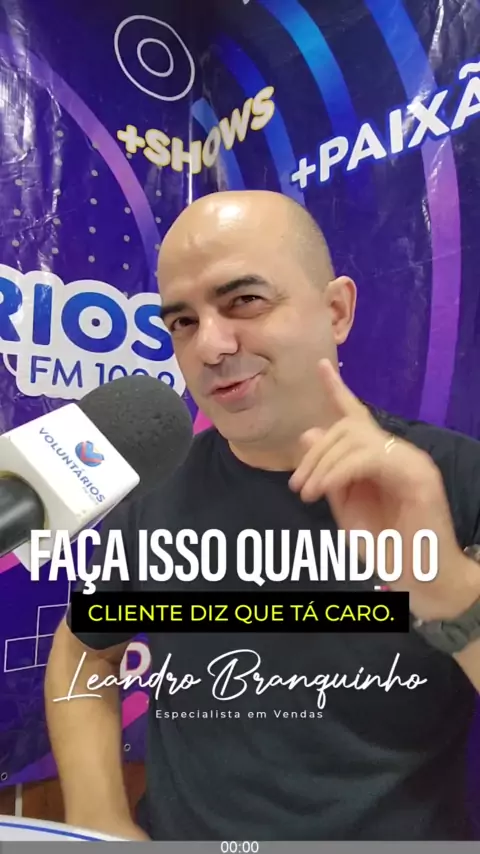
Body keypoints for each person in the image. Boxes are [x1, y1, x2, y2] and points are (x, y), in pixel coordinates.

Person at [45, 190, 480, 842]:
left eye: (244, 300)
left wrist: (447, 589)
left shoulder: (455, 478)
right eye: (182, 321)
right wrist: (97, 815)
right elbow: (84, 653)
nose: (211, 346)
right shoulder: (155, 496)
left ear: (336, 311)